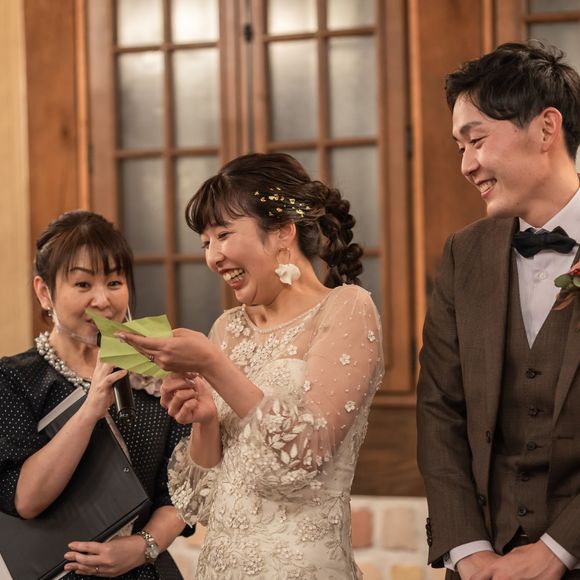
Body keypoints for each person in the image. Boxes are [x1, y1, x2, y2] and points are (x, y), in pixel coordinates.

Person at [117, 152, 384, 579]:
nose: (213, 257)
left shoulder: (347, 308)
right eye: (205, 243)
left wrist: (213, 365)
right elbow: (203, 496)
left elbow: (307, 453)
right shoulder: (228, 329)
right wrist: (205, 419)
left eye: (223, 235)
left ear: (282, 232)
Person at [417, 41, 580, 580]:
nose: (467, 165)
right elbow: (439, 411)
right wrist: (469, 552)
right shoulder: (463, 253)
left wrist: (558, 549)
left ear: (546, 128)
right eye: (459, 147)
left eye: (477, 140)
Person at [0, 210, 194, 579]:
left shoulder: (156, 373)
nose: (103, 300)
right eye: (83, 284)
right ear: (44, 292)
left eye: (114, 282)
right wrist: (91, 408)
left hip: (145, 569)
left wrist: (143, 546)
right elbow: (24, 499)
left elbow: (182, 491)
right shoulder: (14, 379)